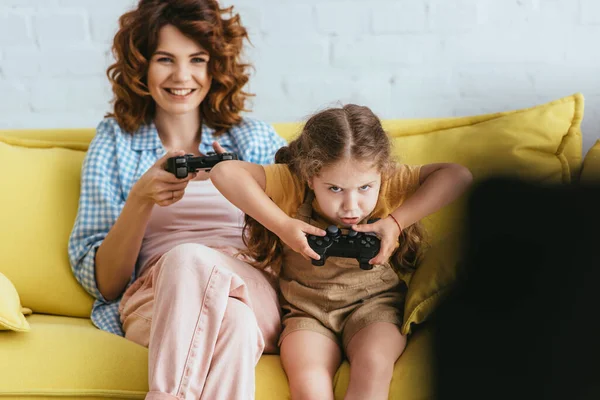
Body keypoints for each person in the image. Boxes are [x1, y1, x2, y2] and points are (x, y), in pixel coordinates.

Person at [68, 0, 286, 399]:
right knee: (232, 322)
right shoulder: (115, 143)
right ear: (142, 67)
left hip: (251, 285)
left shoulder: (253, 139)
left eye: (197, 59)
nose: (182, 75)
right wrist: (140, 199)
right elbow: (107, 285)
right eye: (165, 59)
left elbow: (307, 220)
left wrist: (243, 181)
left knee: (194, 260)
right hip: (156, 298)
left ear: (214, 67)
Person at [210, 104, 473, 400]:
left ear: (382, 175)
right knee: (309, 382)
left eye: (364, 188)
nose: (351, 206)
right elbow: (224, 172)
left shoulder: (390, 182)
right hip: (306, 312)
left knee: (374, 365)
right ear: (310, 177)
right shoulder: (292, 185)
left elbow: (458, 175)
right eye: (334, 189)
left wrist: (397, 222)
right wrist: (283, 225)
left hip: (375, 306)